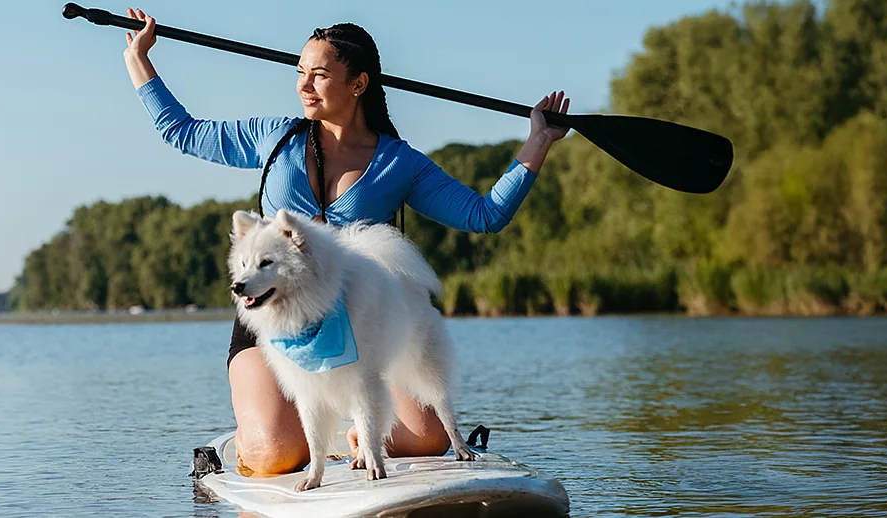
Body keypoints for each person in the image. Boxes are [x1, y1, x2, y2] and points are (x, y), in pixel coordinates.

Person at [121, 8, 571, 475]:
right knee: (273, 453)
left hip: (363, 321)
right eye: (300, 73)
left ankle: (354, 428)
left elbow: (486, 215)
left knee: (426, 439)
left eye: (319, 75)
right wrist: (138, 59)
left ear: (358, 84)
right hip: (276, 322)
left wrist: (538, 140)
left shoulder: (400, 163)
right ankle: (249, 440)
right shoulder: (273, 139)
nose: (304, 85)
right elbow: (182, 132)